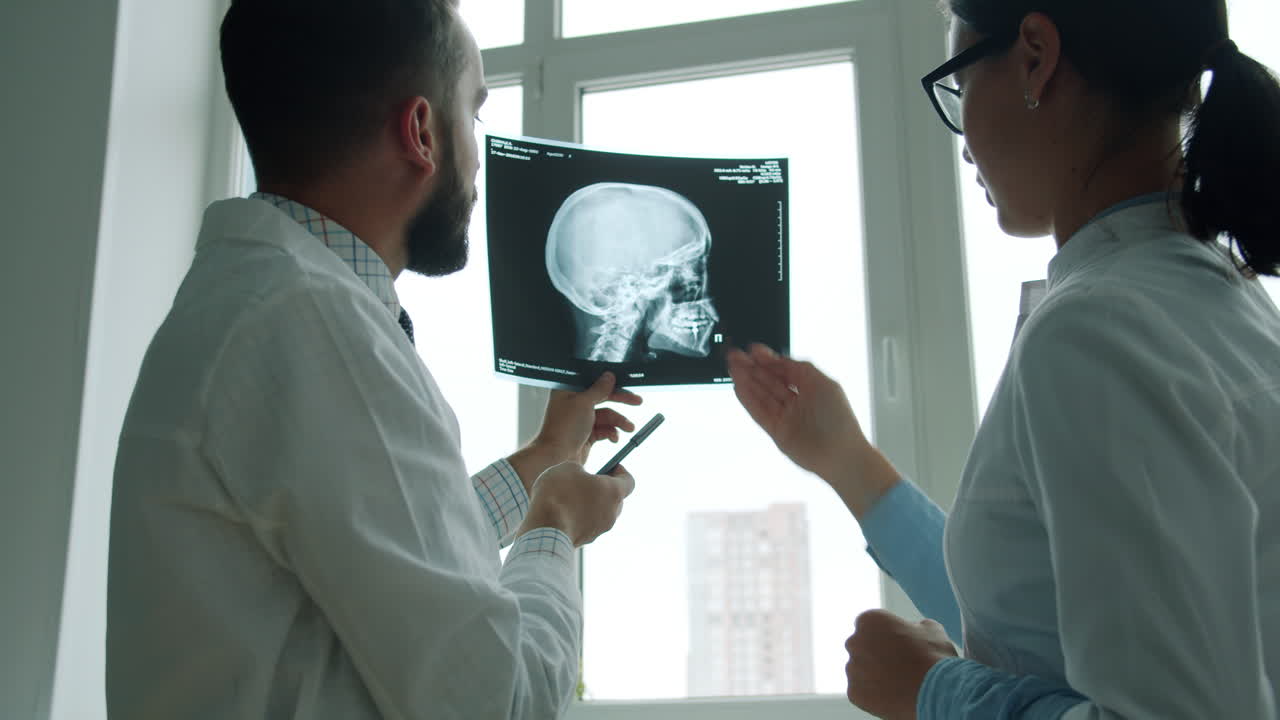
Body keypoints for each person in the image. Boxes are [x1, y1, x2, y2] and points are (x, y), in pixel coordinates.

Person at [728, 0, 1280, 717]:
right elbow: (1040, 627)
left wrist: (935, 691)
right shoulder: (1222, 299)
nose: (962, 143)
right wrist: (844, 458)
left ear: (1035, 57)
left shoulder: (1100, 328)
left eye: (957, 87)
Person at [106, 1, 642, 717]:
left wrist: (545, 455)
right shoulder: (314, 322)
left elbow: (395, 554)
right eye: (473, 113)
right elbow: (498, 701)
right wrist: (555, 529)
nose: (478, 153)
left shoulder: (259, 303)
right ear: (422, 131)